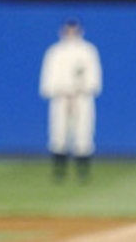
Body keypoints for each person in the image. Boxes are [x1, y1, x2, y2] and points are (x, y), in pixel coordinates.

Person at [39, 18, 102, 182]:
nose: (71, 35)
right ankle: (59, 172)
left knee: (83, 134)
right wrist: (61, 91)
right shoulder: (55, 52)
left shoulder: (88, 51)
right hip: (60, 98)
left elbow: (94, 79)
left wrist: (80, 90)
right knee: (58, 134)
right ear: (62, 32)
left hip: (82, 98)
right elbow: (48, 79)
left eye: (74, 31)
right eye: (68, 31)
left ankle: (83, 172)